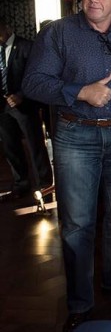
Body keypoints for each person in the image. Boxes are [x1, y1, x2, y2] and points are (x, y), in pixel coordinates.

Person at [22, 0, 111, 332]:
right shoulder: (58, 33)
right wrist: (80, 92)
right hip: (75, 135)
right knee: (78, 224)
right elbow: (32, 83)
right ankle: (80, 303)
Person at [0, 19, 53, 200]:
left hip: (24, 105)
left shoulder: (26, 47)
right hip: (3, 107)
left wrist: (21, 95)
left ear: (7, 27)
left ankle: (44, 185)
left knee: (34, 145)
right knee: (11, 147)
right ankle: (20, 184)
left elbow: (36, 76)